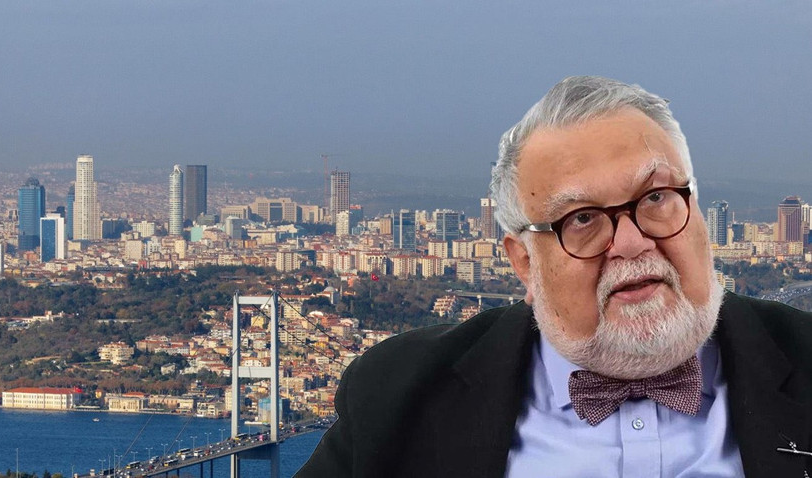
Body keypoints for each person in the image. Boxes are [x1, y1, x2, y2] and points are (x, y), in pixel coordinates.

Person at [295, 76, 812, 477]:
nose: (631, 242)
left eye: (656, 197)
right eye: (582, 219)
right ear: (524, 263)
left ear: (696, 211)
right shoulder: (395, 397)